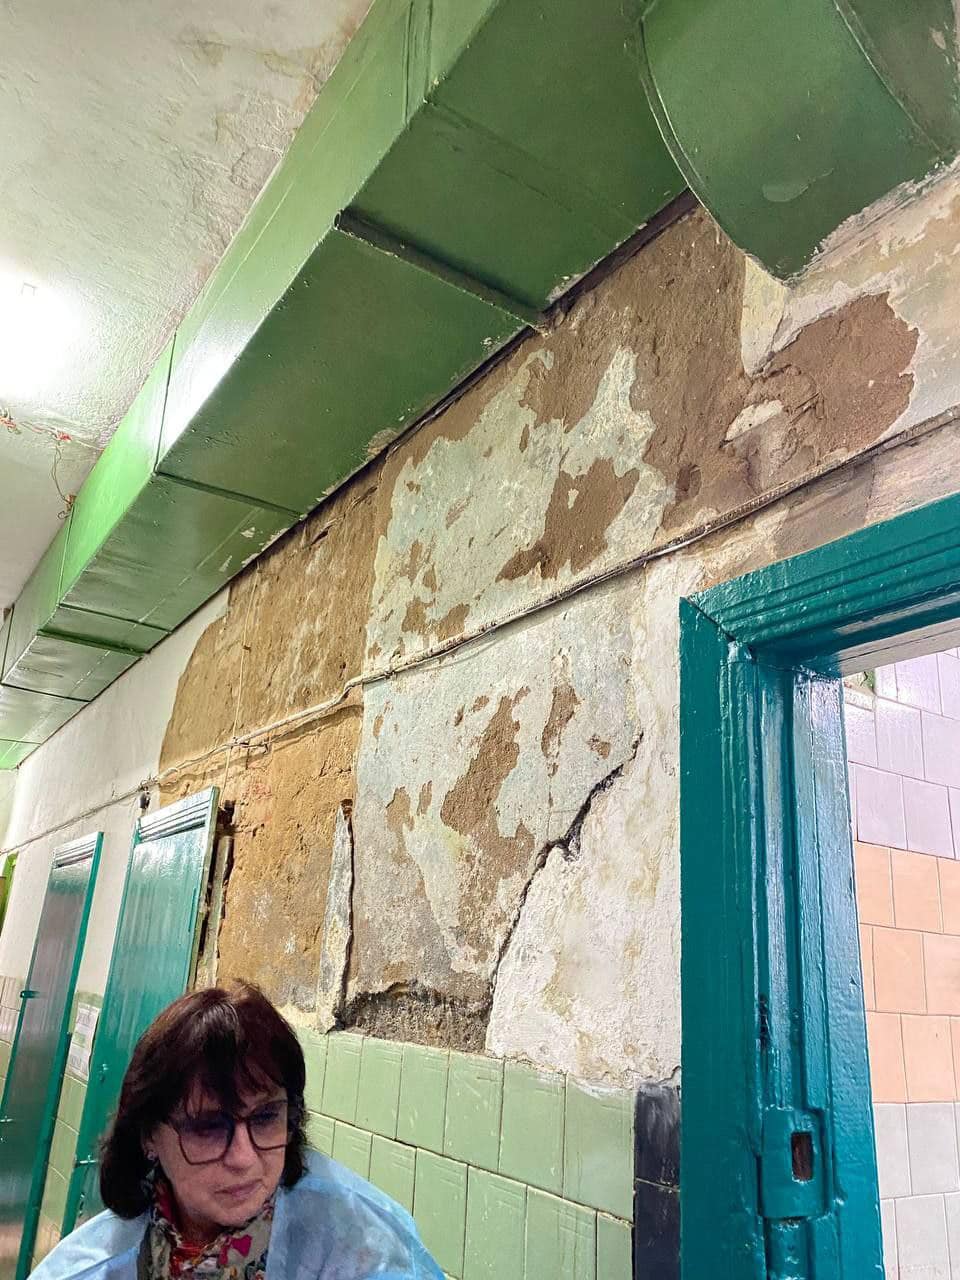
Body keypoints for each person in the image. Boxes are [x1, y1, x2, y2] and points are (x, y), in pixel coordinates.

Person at [34, 982, 443, 1279]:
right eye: (208, 1127)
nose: (245, 1158)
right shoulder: (89, 1269)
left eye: (265, 1118)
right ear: (148, 1135)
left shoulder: (364, 1243)